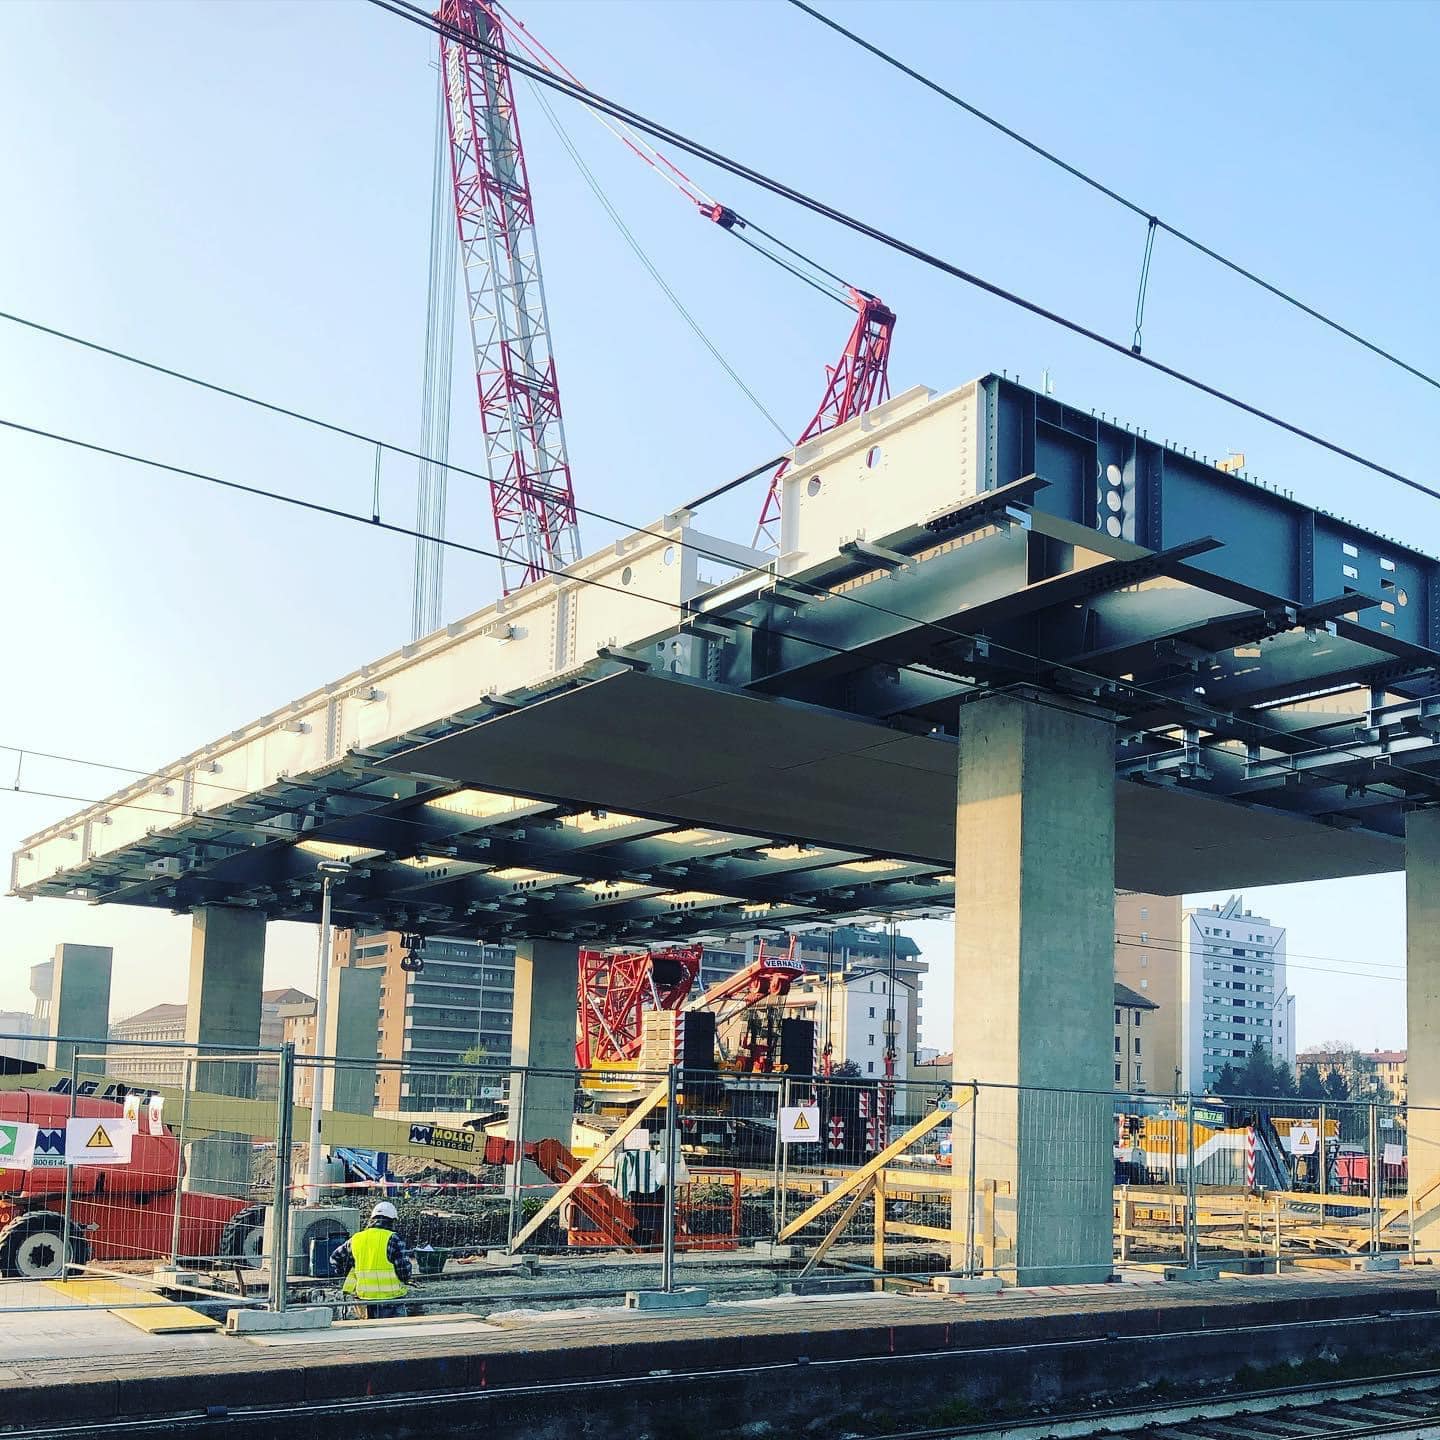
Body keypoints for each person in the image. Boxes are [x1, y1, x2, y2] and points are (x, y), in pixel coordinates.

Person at [331, 1201, 415, 1318]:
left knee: (370, 1333)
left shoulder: (356, 1239)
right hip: (391, 1299)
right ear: (392, 1221)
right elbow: (403, 1269)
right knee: (394, 1332)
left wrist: (346, 1271)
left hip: (364, 1300)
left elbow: (335, 1258)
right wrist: (406, 1279)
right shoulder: (393, 1238)